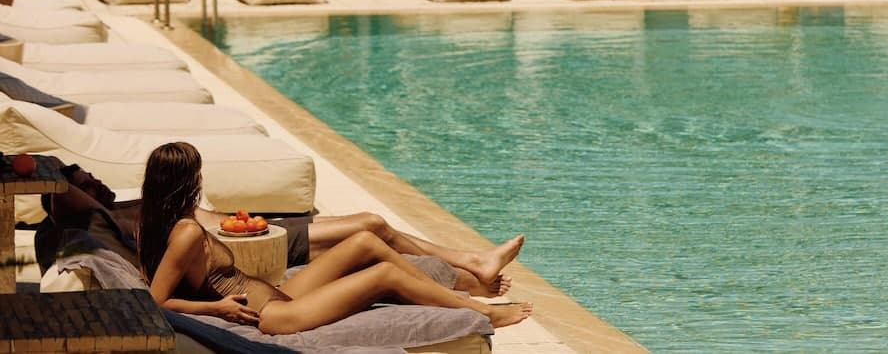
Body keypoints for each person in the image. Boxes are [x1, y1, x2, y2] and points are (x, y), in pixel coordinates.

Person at [138, 142, 532, 334]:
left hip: (277, 296)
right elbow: (156, 301)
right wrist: (216, 309)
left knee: (366, 243)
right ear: (188, 181)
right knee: (384, 275)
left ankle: (461, 292)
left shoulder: (169, 221)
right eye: (198, 174)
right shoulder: (186, 232)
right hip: (274, 317)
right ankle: (482, 313)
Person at [37, 159, 522, 298]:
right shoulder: (112, 217)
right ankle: (472, 271)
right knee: (372, 228)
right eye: (86, 182)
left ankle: (472, 273)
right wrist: (48, 173)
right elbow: (58, 191)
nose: (95, 181)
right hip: (250, 249)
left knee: (374, 232)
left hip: (255, 233)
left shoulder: (133, 203)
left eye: (91, 176)